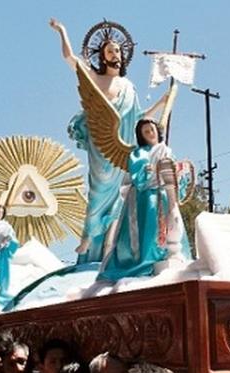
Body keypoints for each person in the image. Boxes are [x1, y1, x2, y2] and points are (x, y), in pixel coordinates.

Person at [50, 18, 169, 263]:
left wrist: (161, 104)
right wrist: (62, 31)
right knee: (99, 191)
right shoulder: (95, 78)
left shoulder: (128, 86)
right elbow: (70, 59)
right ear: (103, 56)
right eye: (110, 50)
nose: (115, 53)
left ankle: (109, 250)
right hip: (102, 146)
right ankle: (89, 238)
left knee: (121, 196)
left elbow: (139, 118)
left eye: (117, 50)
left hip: (124, 147)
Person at [97, 119, 191, 282]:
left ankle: (170, 254)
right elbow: (140, 178)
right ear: (141, 136)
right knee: (149, 228)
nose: (150, 133)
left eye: (152, 130)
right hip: (146, 199)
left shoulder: (167, 151)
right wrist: (154, 171)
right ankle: (146, 260)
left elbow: (176, 179)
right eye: (146, 132)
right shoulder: (138, 154)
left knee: (171, 223)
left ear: (158, 131)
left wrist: (179, 172)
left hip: (164, 195)